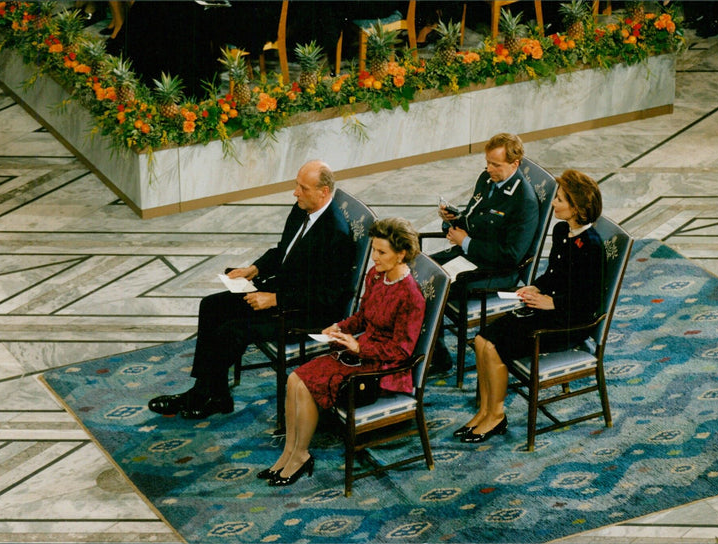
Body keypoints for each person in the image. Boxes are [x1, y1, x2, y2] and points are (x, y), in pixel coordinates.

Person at [148, 160, 355, 419]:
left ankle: (205, 395)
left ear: (323, 192)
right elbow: (284, 251)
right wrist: (254, 269)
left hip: (304, 313)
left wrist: (275, 299)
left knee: (231, 330)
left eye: (302, 188)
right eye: (296, 185)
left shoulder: (336, 234)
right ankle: (212, 394)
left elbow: (328, 297)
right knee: (211, 306)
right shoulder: (303, 208)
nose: (295, 193)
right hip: (281, 292)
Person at [258, 217, 426, 486]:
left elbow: (402, 351)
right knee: (295, 379)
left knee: (308, 384)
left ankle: (300, 455)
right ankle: (290, 452)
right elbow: (362, 317)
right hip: (358, 355)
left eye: (381, 252)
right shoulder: (376, 275)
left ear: (401, 254)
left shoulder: (411, 296)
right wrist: (338, 326)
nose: (374, 258)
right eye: (373, 250)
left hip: (382, 370)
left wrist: (360, 346)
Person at [454, 170, 605, 443]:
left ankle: (496, 416)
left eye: (560, 200)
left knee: (496, 346)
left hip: (569, 322)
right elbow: (555, 274)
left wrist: (552, 303)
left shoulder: (591, 246)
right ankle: (485, 411)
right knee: (481, 340)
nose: (554, 204)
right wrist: (536, 286)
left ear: (578, 209)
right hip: (546, 308)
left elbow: (590, 302)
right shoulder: (562, 230)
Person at [429, 132, 539, 372]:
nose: (488, 169)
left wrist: (466, 241)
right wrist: (454, 219)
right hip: (471, 257)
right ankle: (427, 349)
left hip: (497, 271)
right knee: (421, 271)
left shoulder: (523, 201)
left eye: (495, 165)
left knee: (432, 286)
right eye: (487, 162)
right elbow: (475, 216)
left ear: (514, 164)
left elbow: (512, 255)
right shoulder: (487, 180)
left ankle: (437, 358)